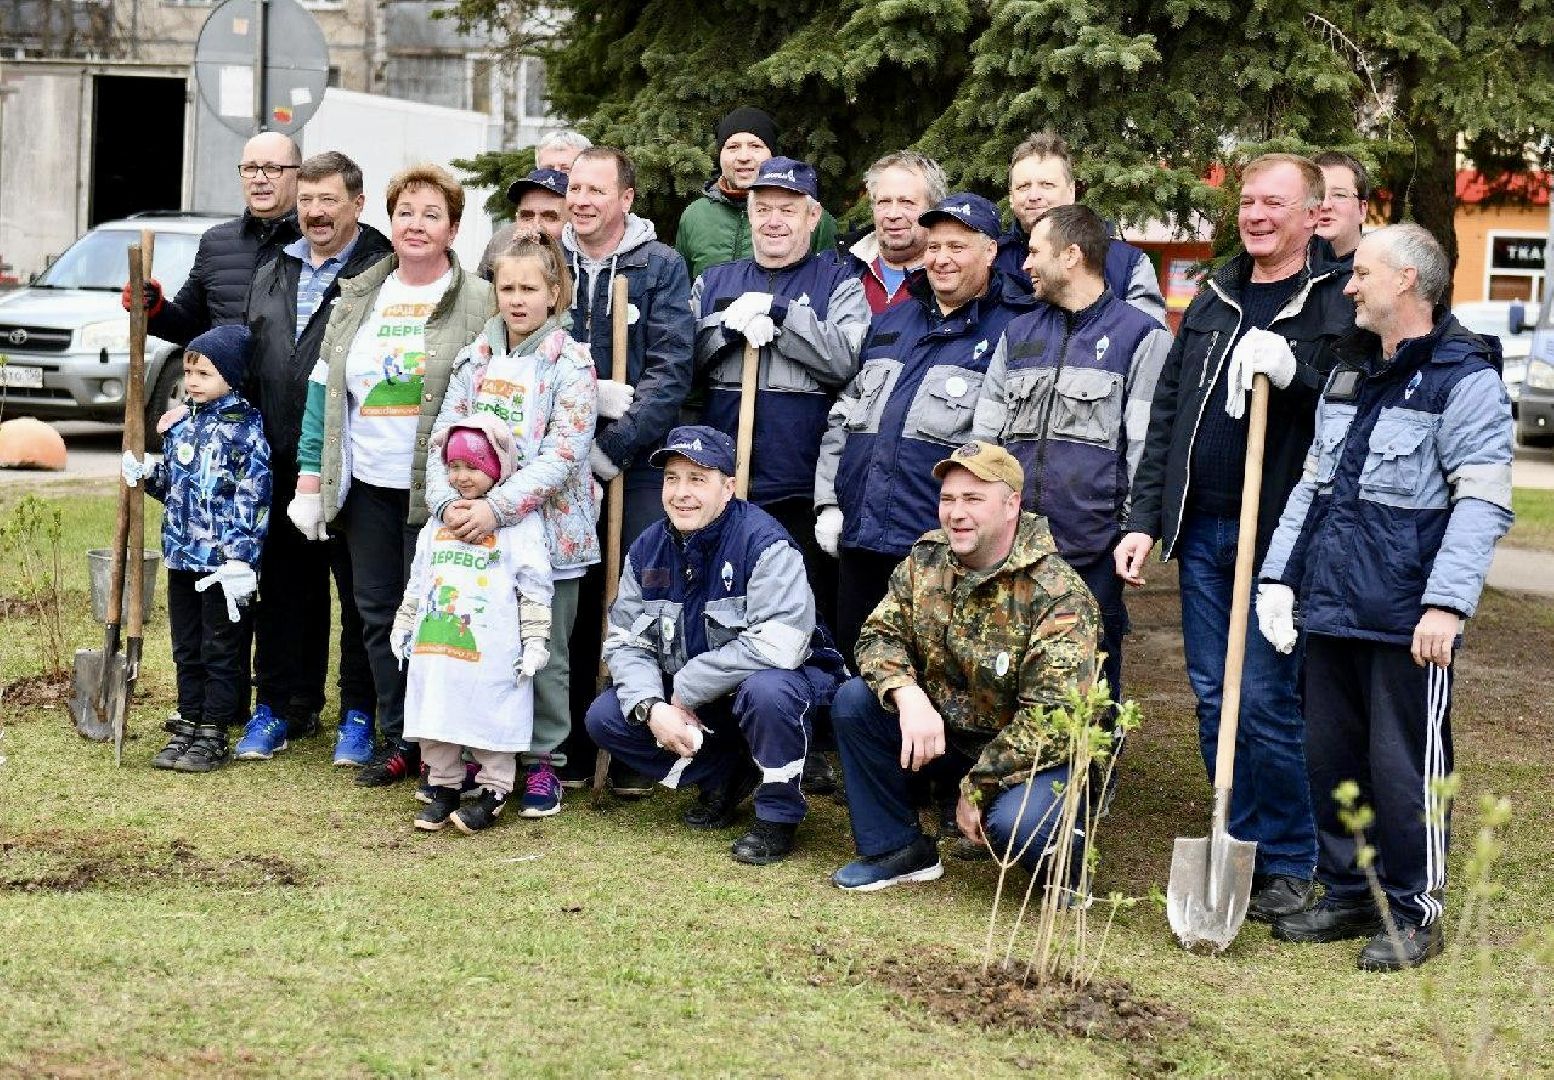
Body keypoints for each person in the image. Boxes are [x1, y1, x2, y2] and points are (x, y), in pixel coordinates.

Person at [1258, 225, 1514, 970]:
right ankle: (1346, 892)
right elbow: (1313, 485)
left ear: (1406, 280)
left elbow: (1483, 504)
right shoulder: (1349, 371)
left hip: (1408, 618)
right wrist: (1280, 577)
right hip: (1333, 604)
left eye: (1361, 273)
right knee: (1331, 757)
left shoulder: (1463, 379)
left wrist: (1447, 604)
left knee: (1405, 768)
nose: (1348, 286)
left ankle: (1413, 909)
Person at [1114, 153, 1355, 922]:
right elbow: (1168, 419)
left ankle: (1288, 858)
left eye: (1273, 203)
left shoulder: (1335, 303)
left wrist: (1299, 373)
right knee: (1216, 697)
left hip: (1280, 541)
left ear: (1314, 214)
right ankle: (1238, 841)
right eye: (1247, 201)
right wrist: (1145, 519)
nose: (1255, 214)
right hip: (1206, 530)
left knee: (1265, 701)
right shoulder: (1214, 295)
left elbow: (1352, 413)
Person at [289, 164, 495, 788]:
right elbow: (324, 392)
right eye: (406, 211)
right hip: (368, 485)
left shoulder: (479, 301)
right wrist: (308, 477)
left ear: (453, 228)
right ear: (389, 219)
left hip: (442, 489)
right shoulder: (360, 297)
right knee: (377, 612)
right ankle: (396, 736)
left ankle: (456, 743)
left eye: (432, 214)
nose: (416, 224)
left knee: (446, 613)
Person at [828, 442, 1100, 891]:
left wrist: (978, 787)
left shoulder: (1059, 596)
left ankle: (1064, 874)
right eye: (948, 499)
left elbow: (1054, 720)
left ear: (1012, 505)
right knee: (856, 702)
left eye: (973, 499)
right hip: (946, 736)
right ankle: (898, 849)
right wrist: (907, 694)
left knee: (1017, 824)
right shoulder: (926, 560)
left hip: (1026, 756)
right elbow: (878, 636)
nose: (956, 513)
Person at [585, 426, 846, 865]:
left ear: (728, 488)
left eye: (697, 479)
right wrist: (654, 706)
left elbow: (782, 646)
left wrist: (687, 684)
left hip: (792, 693)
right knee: (607, 716)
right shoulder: (647, 549)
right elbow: (626, 642)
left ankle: (777, 817)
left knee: (768, 691)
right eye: (672, 478)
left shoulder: (765, 543)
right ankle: (728, 772)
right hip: (702, 704)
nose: (681, 493)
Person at [814, 193, 1036, 667]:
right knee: (860, 670)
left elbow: (1009, 445)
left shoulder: (1015, 329)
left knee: (938, 674)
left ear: (990, 251)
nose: (941, 259)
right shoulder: (893, 320)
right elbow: (846, 412)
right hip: (863, 534)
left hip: (941, 542)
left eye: (957, 247)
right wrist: (828, 503)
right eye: (934, 247)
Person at [972, 204, 1172, 711]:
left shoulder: (1140, 337)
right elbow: (984, 438)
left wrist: (1134, 528)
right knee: (1009, 667)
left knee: (1092, 676)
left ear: (1073, 255)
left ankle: (1089, 784)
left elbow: (1148, 447)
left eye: (1036, 252)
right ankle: (1014, 781)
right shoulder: (1017, 335)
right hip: (1015, 544)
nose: (1026, 264)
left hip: (1093, 545)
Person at [427, 231, 599, 814]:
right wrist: (444, 503)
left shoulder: (570, 362)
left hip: (549, 534)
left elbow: (565, 452)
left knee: (542, 651)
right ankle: (483, 753)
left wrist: (496, 507)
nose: (517, 299)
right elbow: (443, 436)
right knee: (486, 642)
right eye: (507, 287)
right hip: (474, 534)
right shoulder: (476, 357)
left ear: (555, 292)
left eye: (530, 288)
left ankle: (544, 762)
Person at [238, 150, 392, 766]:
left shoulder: (382, 267)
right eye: (306, 200)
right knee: (283, 590)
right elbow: (256, 347)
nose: (316, 212)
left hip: (354, 461)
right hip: (277, 455)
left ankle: (359, 712)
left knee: (360, 596)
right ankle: (281, 705)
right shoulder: (276, 264)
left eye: (329, 200)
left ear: (357, 202)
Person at [561, 145, 696, 792]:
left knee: (636, 595)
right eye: (575, 188)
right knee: (574, 594)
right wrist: (579, 424)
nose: (582, 200)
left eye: (596, 190)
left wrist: (613, 448)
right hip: (558, 459)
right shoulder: (548, 257)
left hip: (635, 459)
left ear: (625, 199)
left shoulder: (660, 265)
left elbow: (672, 369)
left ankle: (635, 745)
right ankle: (572, 744)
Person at [690, 156, 868, 633]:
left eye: (787, 211)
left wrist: (784, 316)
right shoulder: (714, 283)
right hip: (722, 484)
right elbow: (683, 362)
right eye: (763, 208)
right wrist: (723, 330)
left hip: (797, 487)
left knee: (796, 619)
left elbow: (846, 358)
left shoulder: (839, 283)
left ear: (813, 217)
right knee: (719, 614)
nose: (773, 221)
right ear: (749, 214)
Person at [394, 416, 554, 834]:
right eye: (454, 467)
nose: (462, 477)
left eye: (473, 466)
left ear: (498, 466)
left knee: (491, 713)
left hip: (493, 644)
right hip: (437, 644)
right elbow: (420, 576)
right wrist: (405, 622)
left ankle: (494, 788)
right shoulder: (438, 522)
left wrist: (535, 640)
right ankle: (444, 784)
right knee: (437, 711)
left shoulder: (520, 525)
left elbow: (535, 587)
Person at [121, 325, 271, 773]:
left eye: (203, 373)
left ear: (231, 376)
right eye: (189, 372)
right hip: (182, 557)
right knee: (186, 645)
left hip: (224, 565)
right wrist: (146, 473)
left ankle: (215, 729)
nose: (192, 382)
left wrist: (242, 556)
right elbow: (174, 487)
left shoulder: (246, 430)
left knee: (220, 646)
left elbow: (255, 495)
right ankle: (189, 717)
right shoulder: (182, 425)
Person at [125, 131, 302, 344]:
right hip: (225, 378)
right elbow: (190, 327)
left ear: (299, 176)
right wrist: (155, 308)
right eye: (250, 168)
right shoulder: (216, 242)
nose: (259, 179)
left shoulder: (315, 242)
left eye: (273, 169)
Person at [993, 130, 1166, 326]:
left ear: (1071, 191)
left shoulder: (1128, 264)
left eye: (1046, 184)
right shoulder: (991, 262)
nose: (1034, 195)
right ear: (1011, 197)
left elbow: (1148, 342)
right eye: (1023, 186)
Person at [673, 107, 838, 280]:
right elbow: (683, 292)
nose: (743, 156)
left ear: (773, 154)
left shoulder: (810, 217)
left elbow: (827, 282)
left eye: (755, 146)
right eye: (733, 147)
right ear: (720, 155)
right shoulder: (694, 216)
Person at [477, 129, 591, 280]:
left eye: (566, 169)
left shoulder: (592, 236)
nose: (555, 176)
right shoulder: (503, 239)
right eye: (548, 169)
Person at [843, 151, 947, 313]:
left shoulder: (953, 276)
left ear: (934, 209)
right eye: (884, 202)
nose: (893, 214)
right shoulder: (840, 269)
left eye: (907, 202)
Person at [1313, 151, 1370, 265]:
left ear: (1362, 210)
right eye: (1316, 195)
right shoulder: (1279, 272)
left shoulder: (1383, 276)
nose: (1325, 205)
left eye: (1339, 195)